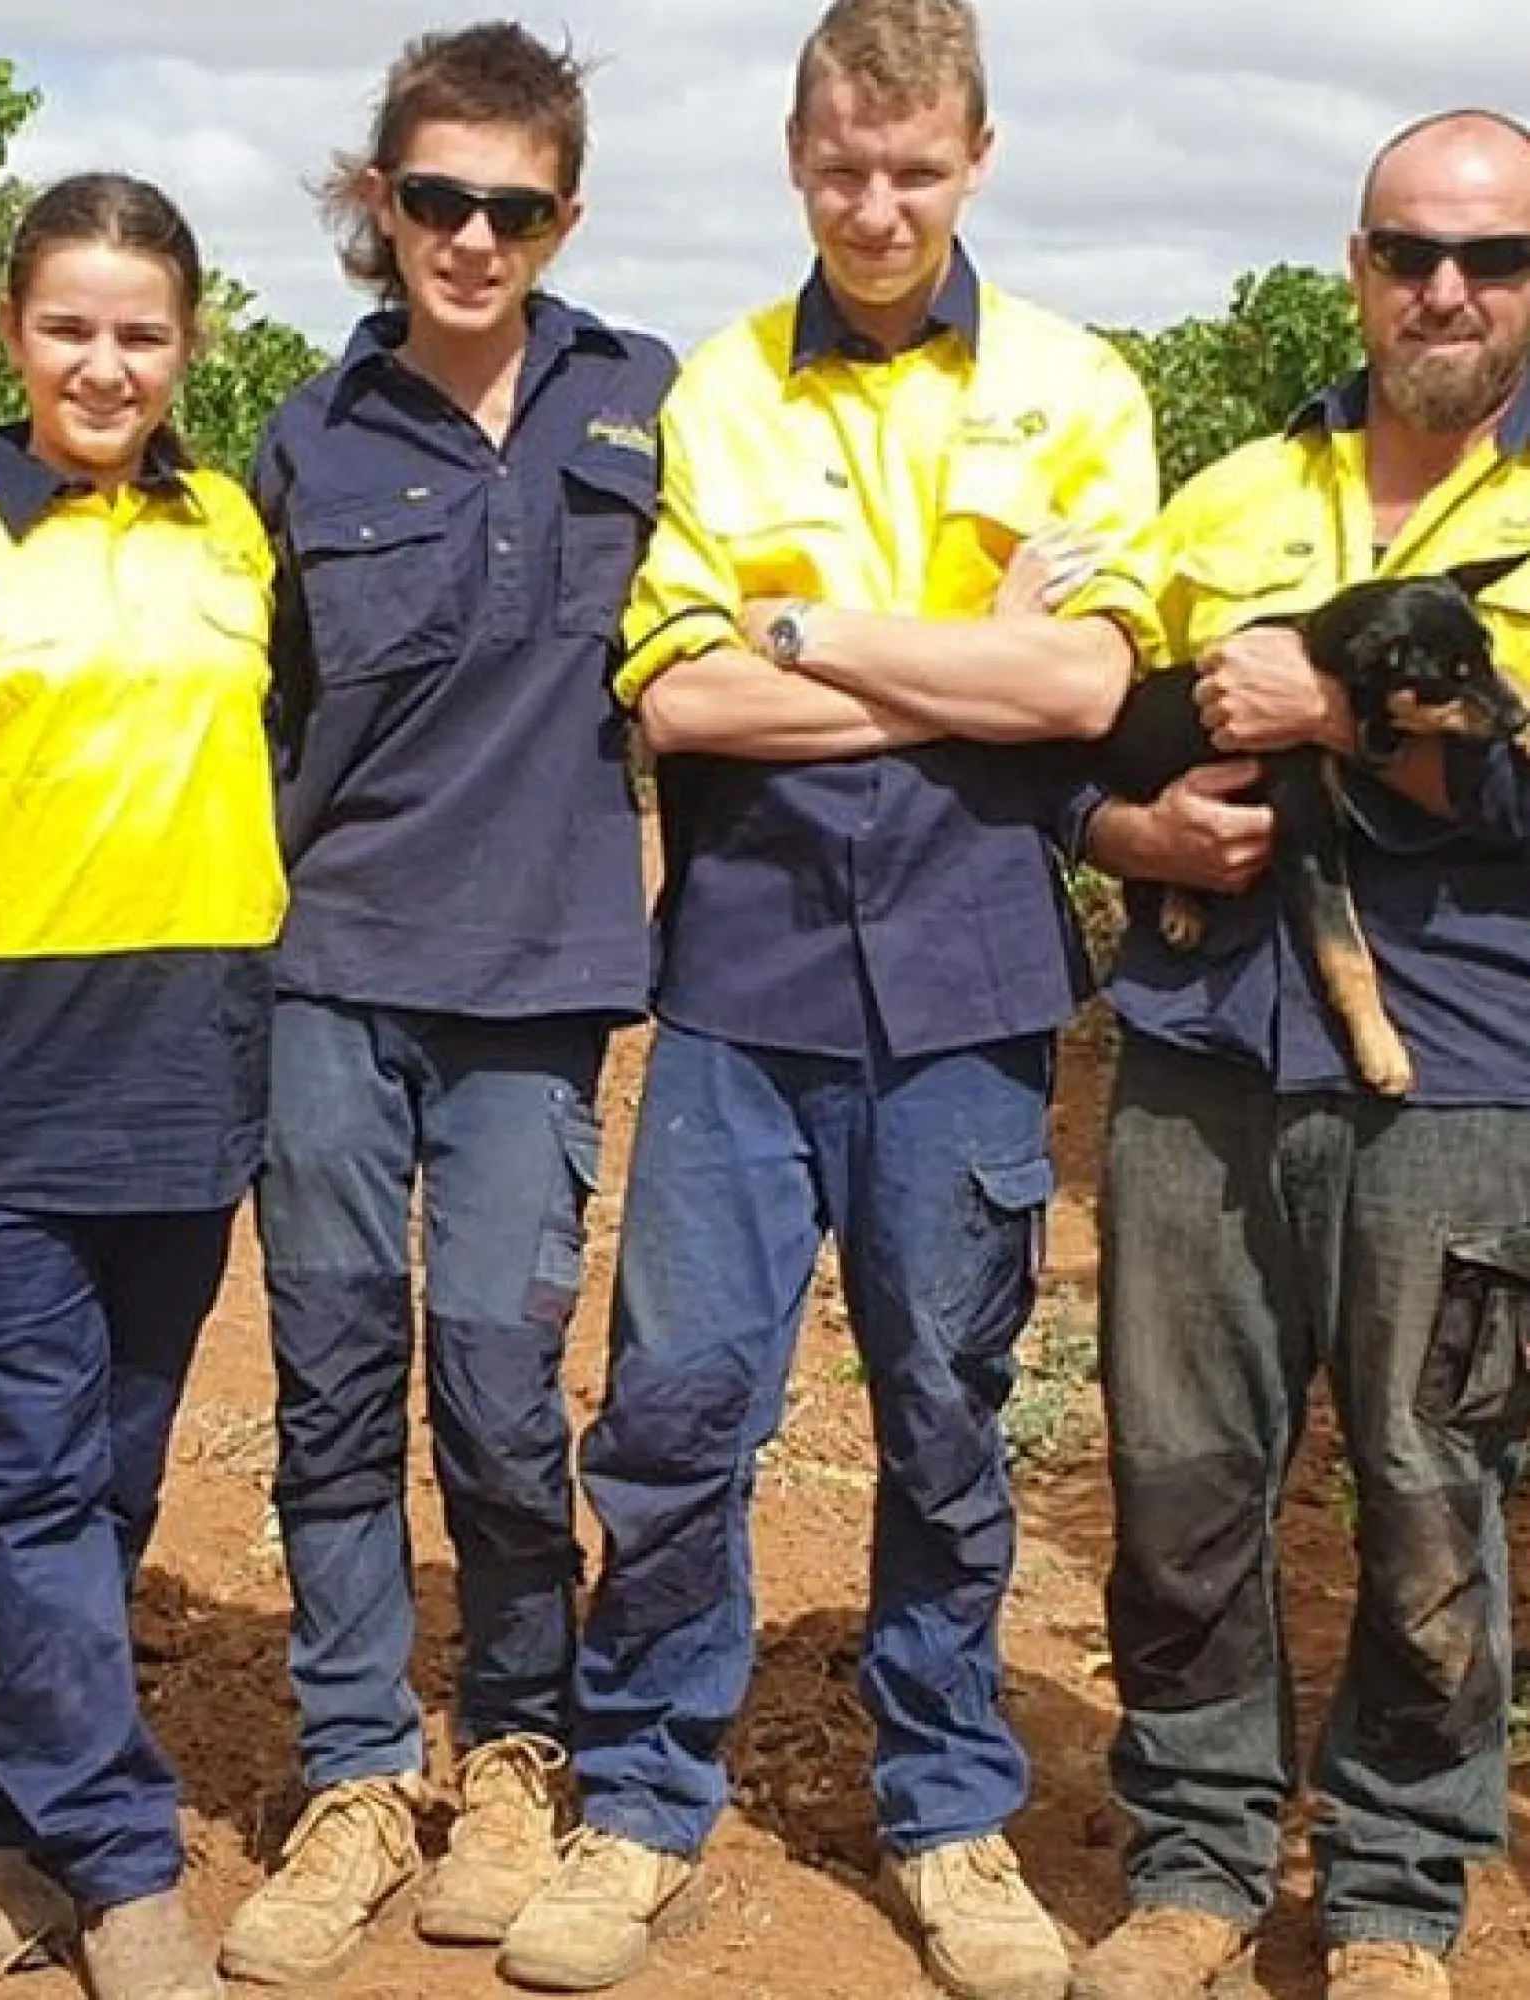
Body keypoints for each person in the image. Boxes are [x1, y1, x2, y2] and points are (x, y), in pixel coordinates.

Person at [494, 3, 1162, 1994]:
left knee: (949, 1418)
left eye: (913, 169)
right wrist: (950, 655)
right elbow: (679, 690)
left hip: (965, 984)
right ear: (796, 161)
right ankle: (637, 1794)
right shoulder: (717, 390)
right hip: (745, 981)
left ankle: (948, 1806)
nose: (874, 206)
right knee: (684, 1408)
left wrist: (819, 636)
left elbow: (1080, 690)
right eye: (838, 168)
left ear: (972, 158)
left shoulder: (1068, 386)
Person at [216, 22, 676, 1989]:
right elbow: (251, 714)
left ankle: (511, 1745)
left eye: (508, 205)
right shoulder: (303, 443)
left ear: (558, 213)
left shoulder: (650, 406)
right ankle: (346, 1766)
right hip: (327, 973)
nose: (469, 238)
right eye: (432, 200)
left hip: (540, 990)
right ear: (378, 206)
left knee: (497, 1388)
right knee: (329, 1385)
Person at [1071, 109, 1530, 2000]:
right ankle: (1190, 1857)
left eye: (1490, 260)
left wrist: (1337, 706)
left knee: (1431, 1484)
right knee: (1179, 1474)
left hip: (1470, 1072)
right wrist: (1133, 838)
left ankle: (1397, 1890)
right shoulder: (1237, 489)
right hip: (1195, 1059)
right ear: (1352, 265)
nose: (1443, 289)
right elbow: (1098, 734)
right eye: (1406, 250)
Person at [0, 173, 284, 2000]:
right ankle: (121, 1866)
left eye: (140, 331)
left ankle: (4, 1809)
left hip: (192, 1059)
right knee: (25, 1492)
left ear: (186, 343)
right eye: (68, 327)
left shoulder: (234, 543)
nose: (103, 363)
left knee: (102, 1491)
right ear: (10, 333)